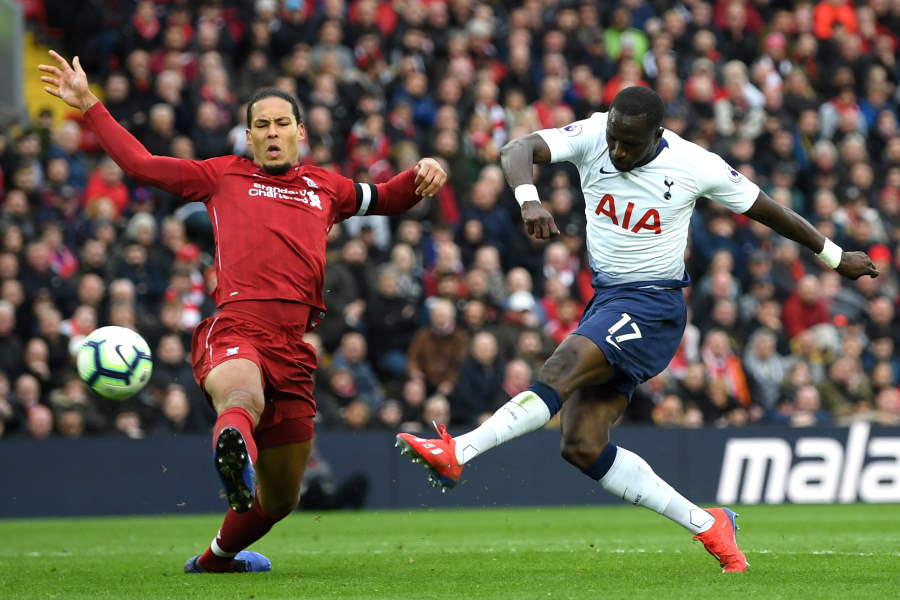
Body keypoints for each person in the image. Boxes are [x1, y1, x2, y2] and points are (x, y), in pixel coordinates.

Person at [396, 86, 878, 573]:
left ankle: (459, 450)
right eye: (613, 139)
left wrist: (835, 257)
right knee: (581, 445)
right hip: (607, 300)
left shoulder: (695, 165)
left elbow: (769, 210)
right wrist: (529, 199)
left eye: (629, 144)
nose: (617, 152)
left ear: (658, 134)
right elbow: (516, 149)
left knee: (562, 365)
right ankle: (708, 523)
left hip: (653, 305)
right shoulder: (592, 135)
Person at [40, 50, 447, 573]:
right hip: (238, 327)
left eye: (281, 123)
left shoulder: (328, 187)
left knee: (280, 499)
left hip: (293, 349)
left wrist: (424, 171)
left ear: (300, 131)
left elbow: (389, 196)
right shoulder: (221, 176)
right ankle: (234, 448)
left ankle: (214, 559)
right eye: (262, 126)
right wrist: (90, 105)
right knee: (241, 399)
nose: (272, 133)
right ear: (249, 136)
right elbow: (141, 165)